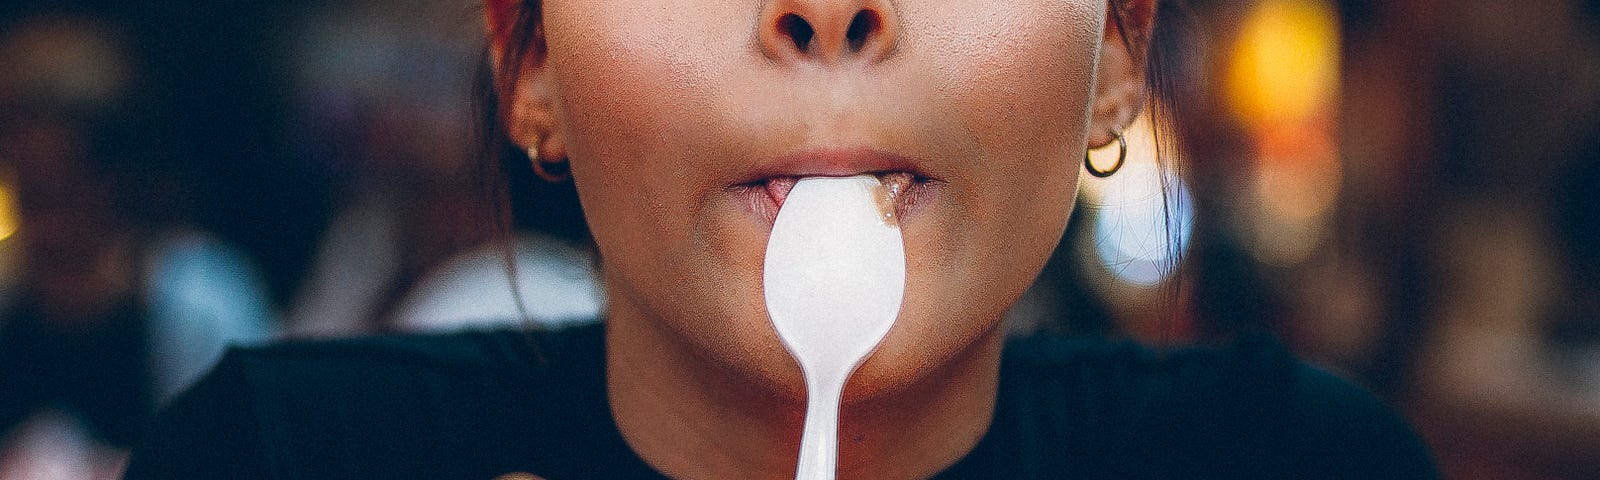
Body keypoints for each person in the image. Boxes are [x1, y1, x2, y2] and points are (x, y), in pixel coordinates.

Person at [123, 0, 1439, 478]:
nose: (827, 12)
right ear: (532, 65)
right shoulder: (270, 459)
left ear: (1115, 52)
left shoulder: (1292, 464)